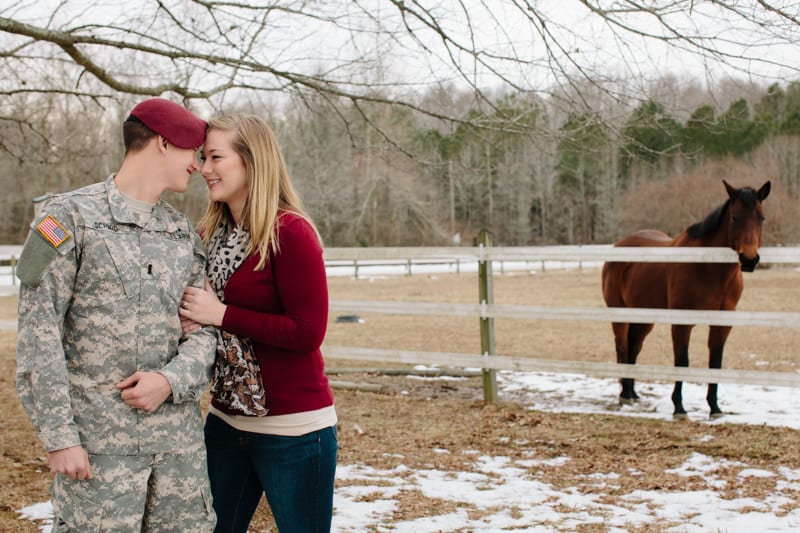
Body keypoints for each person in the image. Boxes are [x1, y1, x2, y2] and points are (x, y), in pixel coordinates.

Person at [15, 98, 218, 532]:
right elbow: (39, 335)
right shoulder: (66, 218)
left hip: (178, 450)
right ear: (163, 143)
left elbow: (203, 333)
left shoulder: (181, 233)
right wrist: (59, 437)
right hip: (98, 450)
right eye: (192, 153)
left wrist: (171, 380)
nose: (198, 166)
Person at [178, 113, 337, 533]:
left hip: (294, 429)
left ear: (253, 161)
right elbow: (199, 310)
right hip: (226, 420)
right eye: (202, 157)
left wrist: (221, 315)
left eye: (215, 157)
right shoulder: (212, 233)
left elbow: (307, 332)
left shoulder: (290, 232)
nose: (205, 169)